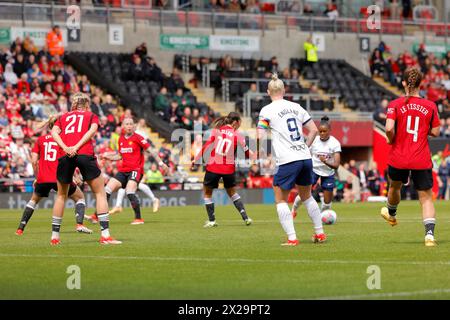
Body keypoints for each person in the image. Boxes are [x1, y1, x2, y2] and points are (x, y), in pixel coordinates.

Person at [257, 74, 325, 246]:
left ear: (268, 92)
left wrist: (260, 151)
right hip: (304, 157)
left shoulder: (267, 110)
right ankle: (319, 233)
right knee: (307, 196)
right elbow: (314, 130)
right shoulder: (296, 107)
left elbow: (260, 134)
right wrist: (305, 147)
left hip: (287, 160)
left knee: (280, 199)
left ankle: (292, 238)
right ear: (283, 90)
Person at [381, 67, 441, 247]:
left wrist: (391, 140)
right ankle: (429, 236)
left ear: (403, 83)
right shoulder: (430, 106)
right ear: (420, 84)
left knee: (395, 187)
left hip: (398, 156)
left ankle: (391, 214)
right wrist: (423, 131)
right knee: (425, 198)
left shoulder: (395, 104)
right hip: (420, 158)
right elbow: (437, 132)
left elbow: (389, 128)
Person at [51, 92, 121, 245]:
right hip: (84, 153)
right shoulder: (90, 115)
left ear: (74, 104)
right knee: (100, 193)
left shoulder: (63, 117)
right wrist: (76, 146)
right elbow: (92, 131)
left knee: (61, 196)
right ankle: (105, 236)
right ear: (87, 105)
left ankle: (55, 237)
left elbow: (53, 133)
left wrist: (66, 147)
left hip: (65, 154)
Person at [15, 117, 92, 235]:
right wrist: (74, 177)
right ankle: (79, 225)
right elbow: (68, 161)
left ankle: (20, 229)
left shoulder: (40, 140)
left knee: (33, 201)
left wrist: (37, 177)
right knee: (80, 197)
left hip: (43, 178)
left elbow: (34, 161)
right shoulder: (63, 141)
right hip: (59, 179)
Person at [98, 117, 167, 224]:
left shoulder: (138, 138)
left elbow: (151, 150)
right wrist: (107, 157)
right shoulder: (121, 139)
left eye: (131, 124)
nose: (129, 126)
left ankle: (138, 218)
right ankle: (101, 216)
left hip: (136, 170)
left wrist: (161, 163)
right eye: (127, 124)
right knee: (107, 189)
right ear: (123, 126)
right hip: (123, 170)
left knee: (130, 191)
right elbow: (119, 156)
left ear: (134, 126)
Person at [192, 112, 253, 228]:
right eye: (239, 123)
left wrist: (196, 159)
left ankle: (212, 221)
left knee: (207, 192)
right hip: (228, 169)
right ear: (235, 122)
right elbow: (247, 152)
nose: (239, 125)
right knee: (232, 193)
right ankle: (246, 218)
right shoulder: (237, 135)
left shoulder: (216, 131)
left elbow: (206, 147)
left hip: (214, 166)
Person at [291, 116, 341, 217]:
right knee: (303, 194)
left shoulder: (335, 143)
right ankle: (293, 210)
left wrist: (325, 161)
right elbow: (304, 152)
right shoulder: (314, 140)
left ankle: (322, 217)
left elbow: (336, 165)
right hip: (313, 170)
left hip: (328, 172)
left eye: (324, 131)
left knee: (327, 202)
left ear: (329, 130)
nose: (322, 133)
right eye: (320, 131)